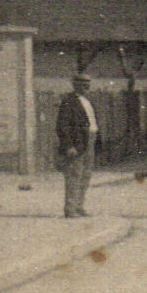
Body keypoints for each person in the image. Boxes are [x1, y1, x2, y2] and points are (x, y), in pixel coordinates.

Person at [55, 72, 100, 217]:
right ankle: (70, 209)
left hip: (90, 140)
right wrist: (69, 146)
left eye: (88, 83)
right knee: (74, 175)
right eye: (83, 83)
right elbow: (62, 126)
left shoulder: (87, 101)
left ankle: (79, 206)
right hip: (78, 143)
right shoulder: (69, 101)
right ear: (75, 84)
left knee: (86, 175)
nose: (87, 86)